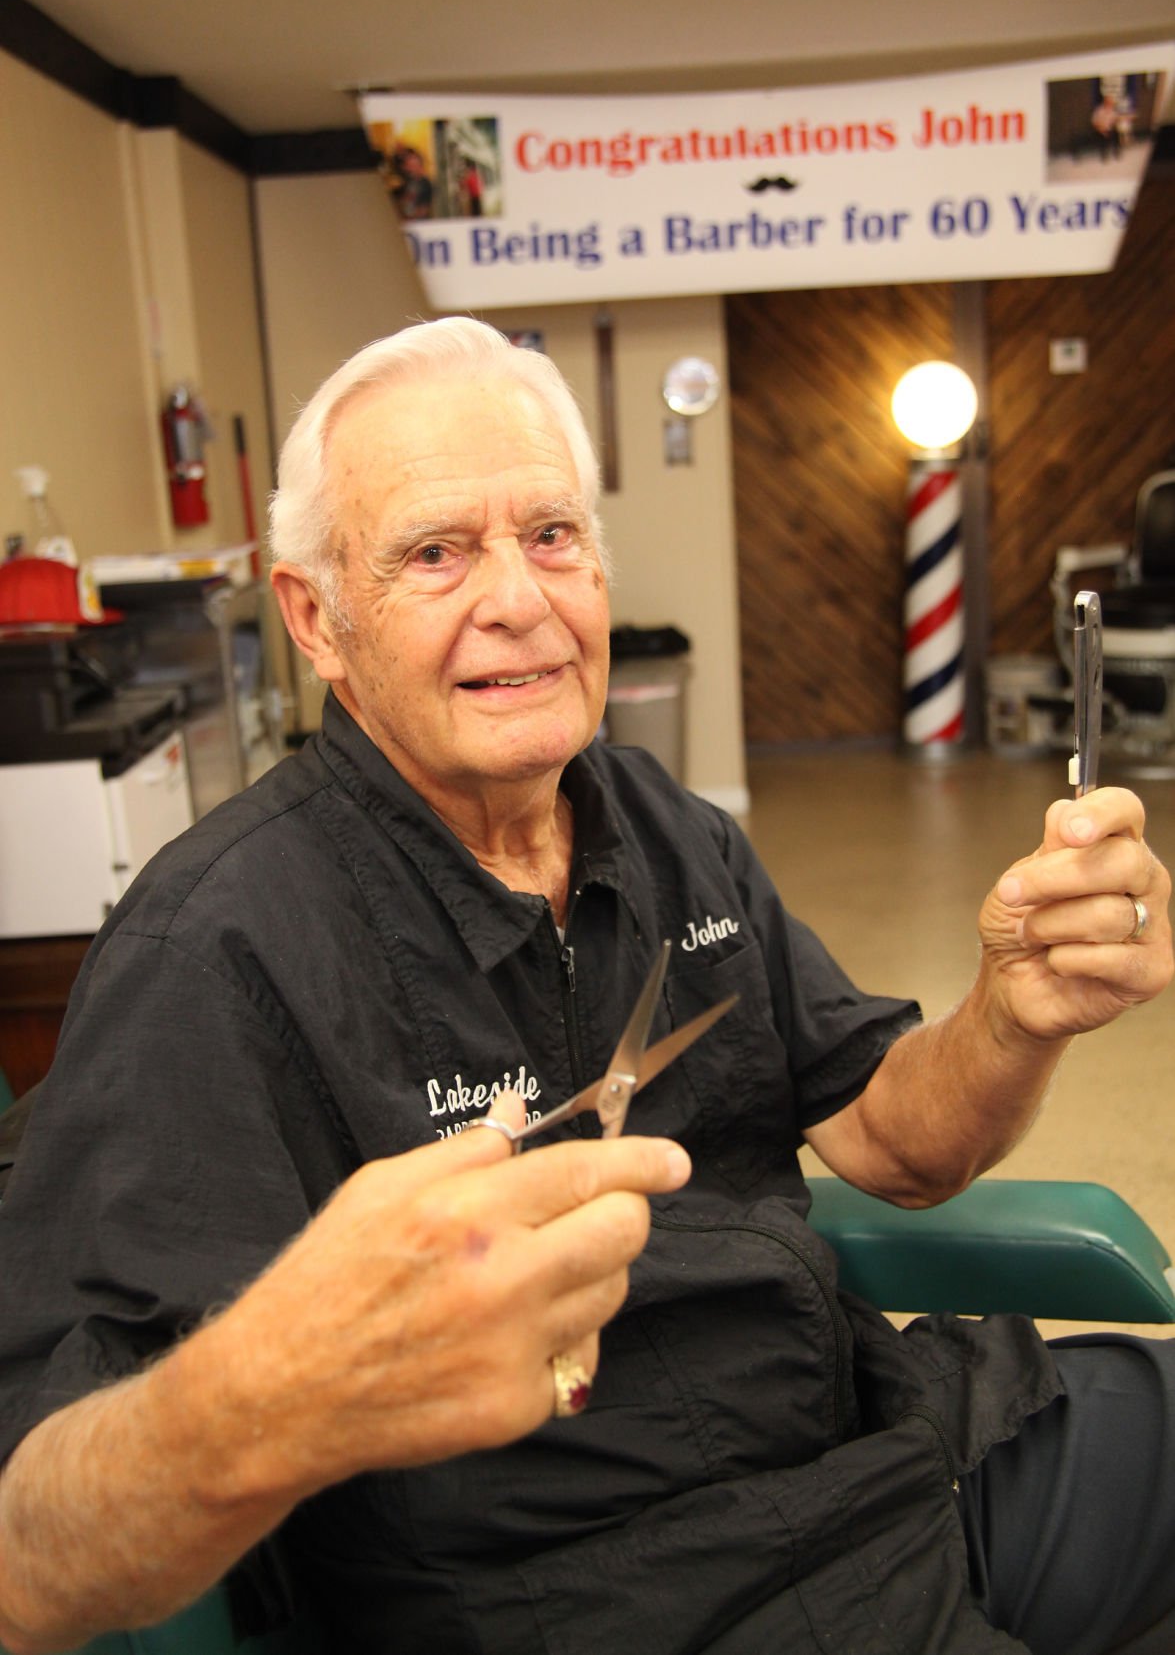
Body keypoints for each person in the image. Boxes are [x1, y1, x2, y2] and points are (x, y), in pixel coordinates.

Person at [0, 318, 1171, 1655]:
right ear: (316, 619)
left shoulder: (662, 825)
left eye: (550, 534)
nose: (519, 598)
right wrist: (273, 1386)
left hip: (887, 1452)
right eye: (437, 552)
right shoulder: (213, 952)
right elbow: (28, 1560)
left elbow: (899, 1139)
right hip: (598, 1595)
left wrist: (1013, 1015)